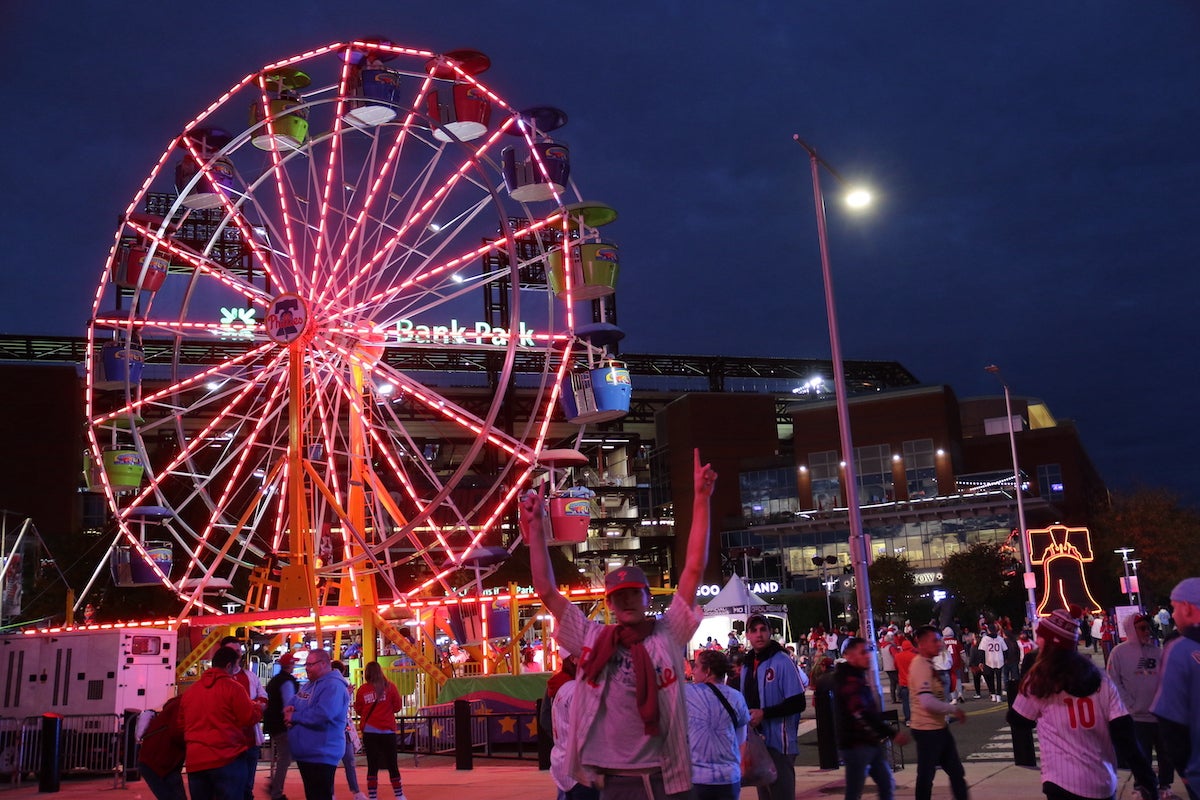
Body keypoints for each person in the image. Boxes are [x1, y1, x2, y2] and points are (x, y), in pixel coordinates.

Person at [520, 448, 717, 800]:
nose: (627, 601)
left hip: (665, 776)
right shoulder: (592, 639)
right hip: (612, 781)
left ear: (646, 598)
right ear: (609, 603)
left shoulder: (667, 634)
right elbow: (546, 591)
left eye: (634, 594)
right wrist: (536, 529)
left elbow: (692, 569)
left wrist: (701, 500)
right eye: (620, 595)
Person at [1010, 608, 1158, 800]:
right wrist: (1146, 779)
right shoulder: (1102, 681)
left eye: (1041, 638)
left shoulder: (1040, 680)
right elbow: (1125, 736)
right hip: (1102, 780)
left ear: (1051, 643)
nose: (1037, 642)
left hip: (1061, 779)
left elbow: (1019, 719)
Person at [179, 645, 264, 800]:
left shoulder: (190, 692)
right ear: (229, 666)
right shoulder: (233, 688)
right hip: (227, 758)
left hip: (196, 761)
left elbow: (181, 724)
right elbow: (248, 718)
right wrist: (258, 708)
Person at [1109, 613, 1178, 800]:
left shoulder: (1157, 652)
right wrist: (1129, 704)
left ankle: (1165, 785)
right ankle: (1141, 786)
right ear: (1132, 629)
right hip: (1136, 716)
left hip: (1160, 714)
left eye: (1148, 627)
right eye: (1142, 628)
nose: (1147, 631)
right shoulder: (1118, 653)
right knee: (1141, 754)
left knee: (1165, 753)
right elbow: (1113, 682)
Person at [833, 637, 910, 800]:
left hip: (868, 742)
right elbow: (862, 713)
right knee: (856, 790)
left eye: (868, 651)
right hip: (856, 745)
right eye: (863, 652)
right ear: (848, 655)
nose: (868, 655)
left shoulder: (857, 677)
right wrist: (892, 733)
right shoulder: (849, 682)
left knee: (885, 782)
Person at [742, 613, 808, 800]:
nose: (759, 634)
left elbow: (798, 702)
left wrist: (765, 713)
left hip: (780, 743)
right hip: (757, 744)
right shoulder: (747, 664)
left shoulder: (781, 660)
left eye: (763, 629)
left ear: (770, 632)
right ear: (747, 635)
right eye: (754, 630)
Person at [1152, 578, 1200, 800]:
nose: (1172, 615)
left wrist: (1186, 772)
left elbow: (1170, 722)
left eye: (1174, 607)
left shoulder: (1179, 651)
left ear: (1188, 608)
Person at [909, 626, 969, 800]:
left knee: (955, 772)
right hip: (927, 730)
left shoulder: (928, 663)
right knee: (927, 776)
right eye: (934, 640)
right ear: (921, 644)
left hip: (938, 727)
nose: (939, 644)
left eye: (939, 639)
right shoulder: (920, 665)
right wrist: (952, 709)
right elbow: (926, 701)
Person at [285, 648, 351, 800]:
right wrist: (290, 708)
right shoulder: (310, 684)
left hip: (321, 753)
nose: (306, 668)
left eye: (310, 664)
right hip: (308, 753)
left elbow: (323, 714)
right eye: (306, 664)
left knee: (319, 795)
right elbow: (295, 700)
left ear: (323, 664)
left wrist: (294, 716)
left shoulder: (333, 686)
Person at [686, 649, 750, 800]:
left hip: (697, 778)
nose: (693, 671)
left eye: (696, 666)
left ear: (707, 670)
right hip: (728, 778)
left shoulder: (687, 693)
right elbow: (741, 740)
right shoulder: (737, 697)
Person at [220, 635, 268, 800]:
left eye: (239, 651)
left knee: (247, 788)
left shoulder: (250, 676)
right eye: (233, 651)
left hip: (249, 742)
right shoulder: (217, 680)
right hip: (226, 743)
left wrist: (252, 707)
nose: (238, 655)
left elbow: (263, 698)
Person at [550, 649, 600, 800]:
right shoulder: (577, 691)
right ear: (573, 659)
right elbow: (588, 732)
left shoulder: (564, 688)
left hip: (563, 764)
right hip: (580, 770)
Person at [354, 661, 406, 800]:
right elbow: (397, 707)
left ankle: (373, 796)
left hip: (370, 732)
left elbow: (359, 709)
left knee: (372, 765)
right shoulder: (390, 687)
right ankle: (399, 795)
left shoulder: (362, 690)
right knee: (392, 764)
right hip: (388, 730)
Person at [136, 695, 187, 800]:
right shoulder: (181, 705)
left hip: (161, 761)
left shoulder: (176, 704)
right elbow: (177, 732)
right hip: (159, 762)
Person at [264, 651, 300, 800]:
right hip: (282, 724)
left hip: (272, 723)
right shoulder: (287, 681)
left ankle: (275, 784)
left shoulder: (274, 680)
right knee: (285, 757)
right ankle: (276, 791)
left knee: (283, 756)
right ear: (290, 665)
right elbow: (288, 704)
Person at [330, 660, 366, 800]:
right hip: (339, 728)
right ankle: (353, 791)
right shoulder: (335, 685)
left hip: (342, 728)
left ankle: (353, 791)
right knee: (345, 762)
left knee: (346, 761)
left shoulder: (337, 685)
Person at [978, 624, 1007, 702]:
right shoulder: (1000, 639)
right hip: (999, 659)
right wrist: (1005, 659)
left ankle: (993, 694)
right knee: (998, 679)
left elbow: (981, 651)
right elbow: (1005, 650)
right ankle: (998, 696)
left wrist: (981, 661)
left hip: (989, 660)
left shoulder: (985, 639)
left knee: (990, 678)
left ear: (988, 630)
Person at [894, 636, 917, 724]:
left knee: (905, 702)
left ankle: (908, 719)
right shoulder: (914, 656)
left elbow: (896, 667)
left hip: (903, 682)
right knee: (916, 702)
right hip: (914, 683)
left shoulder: (898, 656)